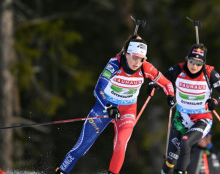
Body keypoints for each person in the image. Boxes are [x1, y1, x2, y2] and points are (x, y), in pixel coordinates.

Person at [55, 35, 175, 174]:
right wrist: (108, 107)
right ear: (127, 54)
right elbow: (98, 89)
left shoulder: (146, 68)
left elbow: (166, 83)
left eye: (141, 59)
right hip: (104, 107)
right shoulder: (114, 64)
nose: (137, 62)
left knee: (121, 144)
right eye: (134, 57)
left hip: (127, 110)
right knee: (82, 146)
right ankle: (61, 171)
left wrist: (170, 96)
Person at [149, 43, 220, 174]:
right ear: (187, 59)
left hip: (202, 119)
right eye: (192, 61)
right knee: (170, 160)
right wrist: (154, 86)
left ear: (203, 63)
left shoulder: (209, 73)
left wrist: (215, 101)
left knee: (185, 143)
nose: (194, 66)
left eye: (199, 64)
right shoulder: (178, 69)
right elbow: (162, 81)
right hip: (181, 119)